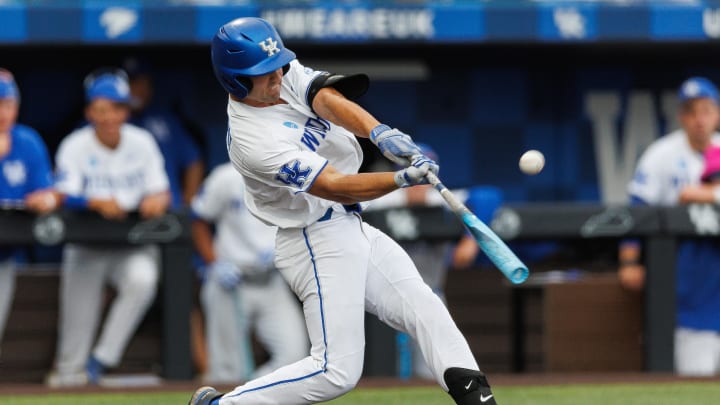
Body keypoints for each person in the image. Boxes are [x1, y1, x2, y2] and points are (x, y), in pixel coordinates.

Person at [189, 17, 498, 405]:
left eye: (279, 67)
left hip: (350, 227)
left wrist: (378, 132)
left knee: (425, 307)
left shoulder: (278, 74)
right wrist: (400, 179)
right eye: (264, 74)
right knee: (335, 372)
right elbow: (332, 186)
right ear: (234, 80)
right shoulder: (254, 140)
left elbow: (324, 97)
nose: (277, 76)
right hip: (314, 239)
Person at [46, 69, 171, 387]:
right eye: (103, 109)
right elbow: (60, 194)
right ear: (90, 111)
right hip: (86, 244)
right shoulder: (75, 144)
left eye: (117, 108)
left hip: (130, 243)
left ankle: (101, 360)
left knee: (143, 279)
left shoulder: (141, 142)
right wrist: (94, 201)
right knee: (76, 328)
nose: (110, 116)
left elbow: (161, 190)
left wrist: (157, 198)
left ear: (126, 111)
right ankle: (70, 373)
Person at [618, 76, 720, 376]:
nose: (699, 119)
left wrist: (708, 194)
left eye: (705, 110)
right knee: (694, 378)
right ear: (681, 116)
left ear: (717, 113)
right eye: (691, 111)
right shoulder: (661, 155)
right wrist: (629, 260)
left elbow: (691, 193)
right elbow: (637, 209)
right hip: (686, 279)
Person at [191, 161, 309, 383]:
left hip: (272, 279)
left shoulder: (292, 175)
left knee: (294, 357)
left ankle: (249, 394)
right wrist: (214, 264)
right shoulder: (225, 176)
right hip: (231, 279)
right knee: (227, 370)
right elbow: (198, 219)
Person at [0, 68, 58, 356]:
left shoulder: (28, 141)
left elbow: (46, 192)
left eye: (7, 104)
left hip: (5, 255)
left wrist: (45, 199)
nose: (2, 112)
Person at [123, 56, 205, 209]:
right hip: (116, 212)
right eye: (131, 83)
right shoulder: (100, 124)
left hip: (165, 210)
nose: (137, 89)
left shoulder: (166, 121)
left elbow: (193, 160)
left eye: (143, 82)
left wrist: (188, 202)